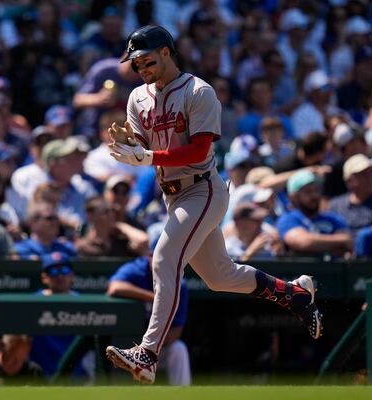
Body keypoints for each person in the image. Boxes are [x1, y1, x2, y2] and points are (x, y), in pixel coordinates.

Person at [104, 25, 323, 385]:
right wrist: (130, 143)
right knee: (221, 277)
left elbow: (201, 149)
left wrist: (145, 156)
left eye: (146, 60)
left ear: (166, 52)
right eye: (136, 63)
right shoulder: (137, 98)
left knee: (164, 259)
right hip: (173, 194)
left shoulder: (198, 91)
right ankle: (296, 293)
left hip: (203, 188)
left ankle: (147, 352)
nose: (141, 68)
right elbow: (142, 144)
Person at [107, 239, 192, 386]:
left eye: (168, 258)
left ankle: (183, 393)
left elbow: (176, 332)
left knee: (179, 348)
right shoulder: (137, 269)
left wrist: (147, 351)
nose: (162, 262)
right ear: (150, 255)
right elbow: (114, 287)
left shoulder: (178, 283)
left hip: (156, 350)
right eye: (159, 256)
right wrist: (157, 298)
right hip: (127, 347)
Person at [30, 253, 95, 382]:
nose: (60, 276)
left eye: (64, 271)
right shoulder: (32, 302)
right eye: (53, 271)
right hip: (39, 374)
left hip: (77, 375)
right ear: (44, 277)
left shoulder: (83, 303)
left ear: (72, 275)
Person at [277, 170, 352, 258]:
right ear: (293, 197)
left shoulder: (333, 218)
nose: (314, 195)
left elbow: (348, 242)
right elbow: (303, 242)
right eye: (308, 191)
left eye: (316, 190)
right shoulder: (288, 219)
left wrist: (316, 246)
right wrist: (338, 242)